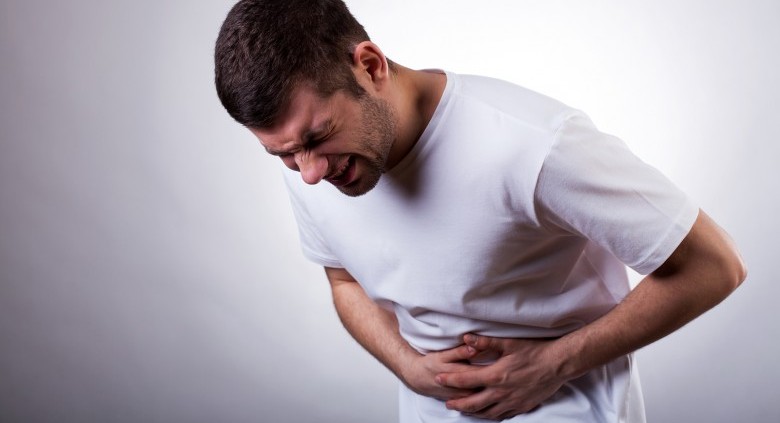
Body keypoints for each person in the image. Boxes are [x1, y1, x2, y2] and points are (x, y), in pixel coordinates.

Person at [214, 1, 747, 421]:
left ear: (370, 66)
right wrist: (408, 366)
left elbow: (714, 265)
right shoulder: (316, 163)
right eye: (283, 154)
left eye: (317, 137)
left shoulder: (533, 144)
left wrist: (554, 363)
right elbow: (344, 280)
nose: (308, 173)